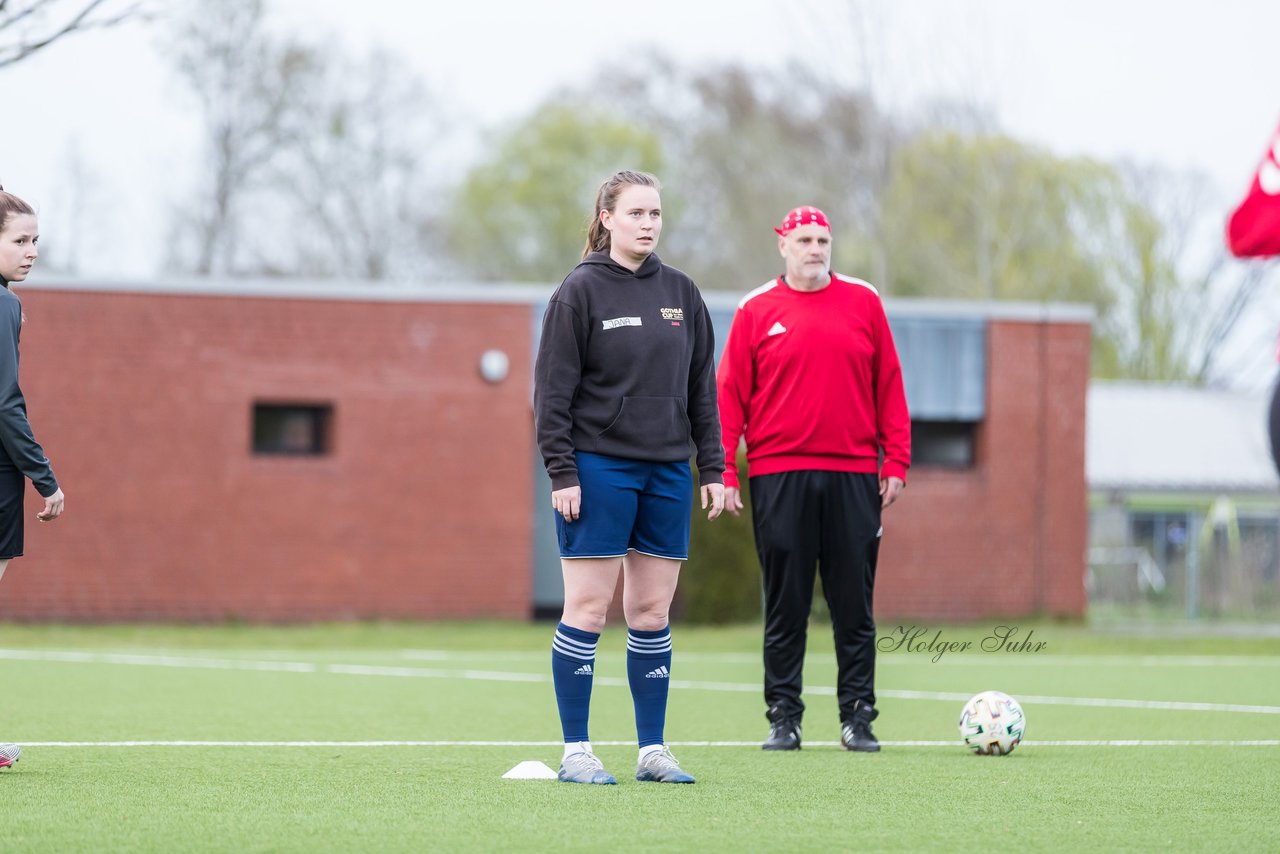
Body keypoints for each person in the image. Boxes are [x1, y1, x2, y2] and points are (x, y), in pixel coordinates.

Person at [534, 170, 725, 784]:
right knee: (588, 610)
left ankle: (652, 752)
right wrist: (562, 471)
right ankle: (577, 752)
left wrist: (713, 467)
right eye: (637, 213)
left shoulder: (682, 293)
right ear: (608, 218)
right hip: (597, 468)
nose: (648, 224)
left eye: (657, 214)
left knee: (650, 612)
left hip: (668, 470)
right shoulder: (579, 293)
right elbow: (552, 395)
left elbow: (702, 390)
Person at [717, 205, 909, 753]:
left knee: (855, 607)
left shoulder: (864, 300)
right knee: (786, 605)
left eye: (823, 239)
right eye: (804, 239)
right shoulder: (756, 309)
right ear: (783, 244)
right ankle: (784, 717)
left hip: (853, 475)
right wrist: (726, 467)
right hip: (780, 475)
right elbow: (729, 395)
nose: (815, 248)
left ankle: (859, 717)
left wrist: (895, 459)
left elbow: (889, 383)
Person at [0, 185, 67, 771]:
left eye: (35, 241)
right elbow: (5, 404)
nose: (31, 252)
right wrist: (45, 479)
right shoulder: (3, 305)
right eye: (20, 240)